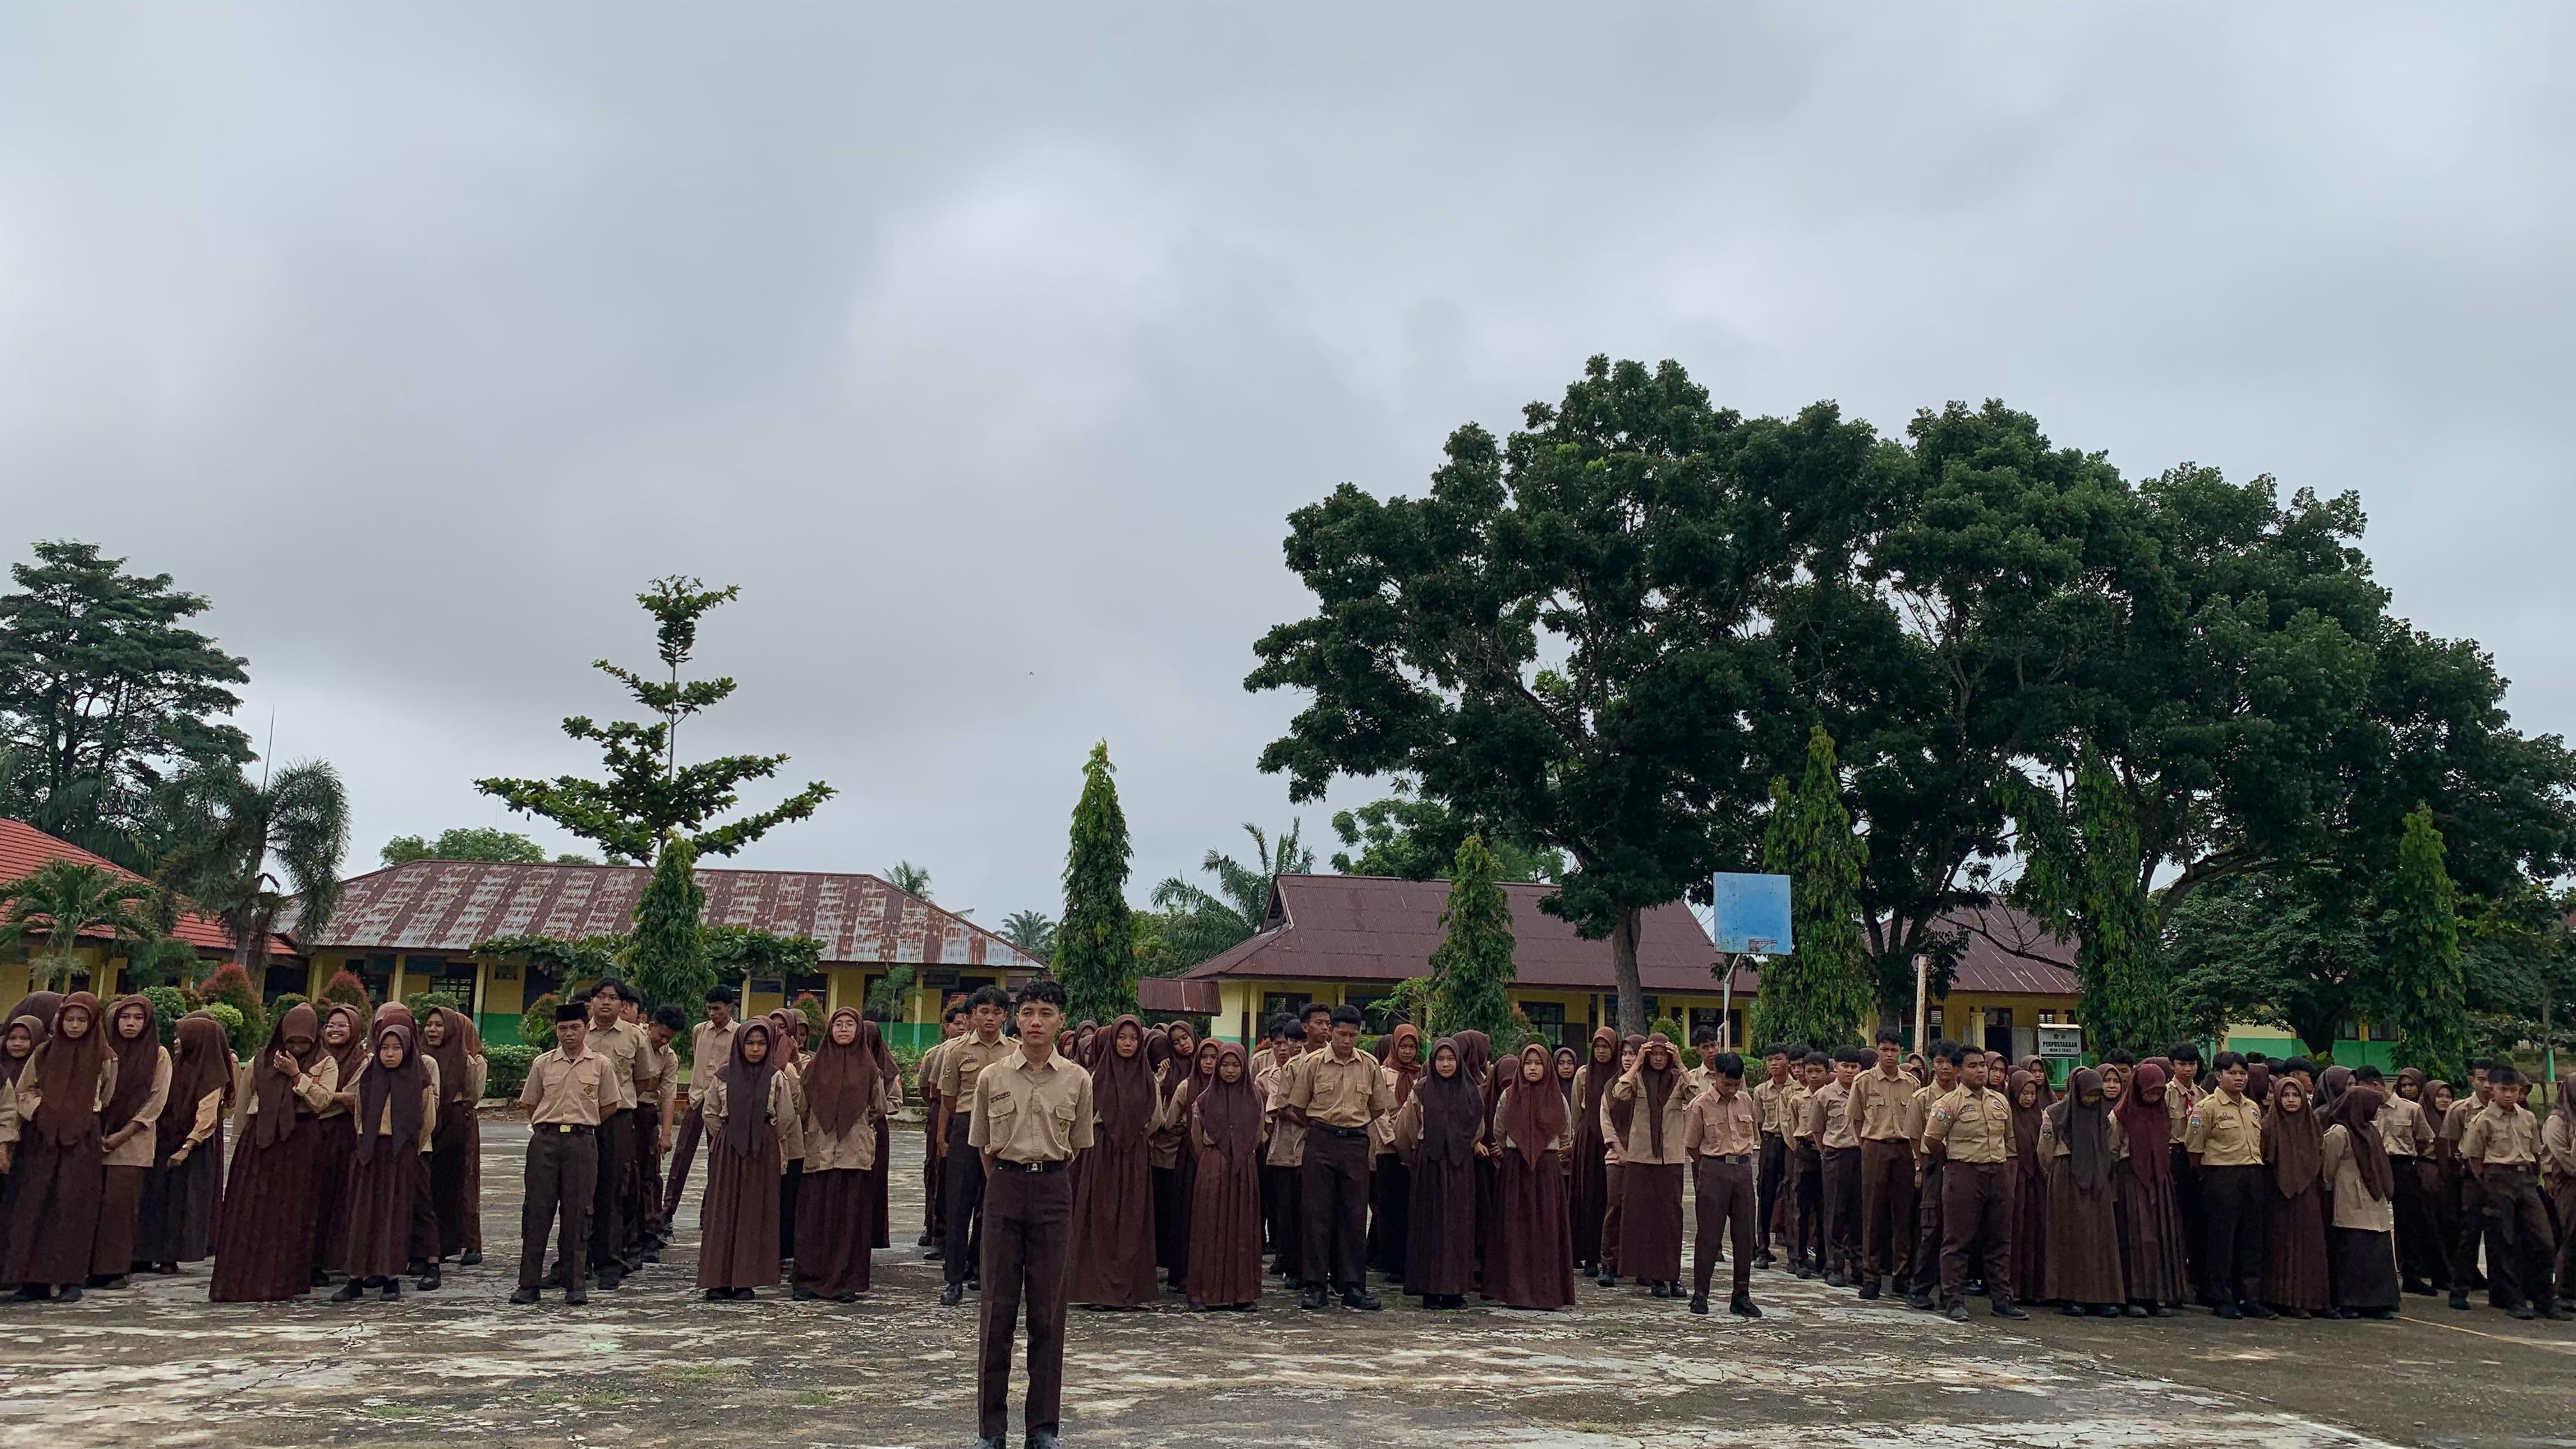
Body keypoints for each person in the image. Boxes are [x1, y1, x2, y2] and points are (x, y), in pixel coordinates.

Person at [969, 978, 1093, 1449]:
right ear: (1015, 1020)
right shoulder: (992, 1077)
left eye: (1045, 1013)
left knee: (1048, 1314)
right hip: (1004, 1186)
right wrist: (1010, 1173)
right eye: (1027, 1013)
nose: (1035, 1022)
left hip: (1054, 1190)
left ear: (1061, 1020)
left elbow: (1078, 1147)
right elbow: (982, 1146)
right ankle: (991, 1430)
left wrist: (1044, 1174)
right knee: (996, 1313)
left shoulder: (1078, 1079)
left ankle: (1043, 1428)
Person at [210, 1004, 335, 1302]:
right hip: (260, 1140)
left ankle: (279, 1284)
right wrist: (238, 1143)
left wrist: (296, 1075)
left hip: (299, 1141)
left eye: (304, 1043)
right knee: (250, 1212)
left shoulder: (324, 1062)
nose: (297, 1048)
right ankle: (239, 1284)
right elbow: (244, 1103)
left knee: (288, 1213)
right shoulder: (261, 1060)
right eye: (291, 1042)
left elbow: (321, 1101)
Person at [1, 992, 110, 1301]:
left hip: (82, 1139)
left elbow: (107, 1094)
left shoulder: (105, 1057)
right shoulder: (44, 1053)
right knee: (35, 1205)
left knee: (73, 1207)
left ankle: (70, 1280)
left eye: (82, 1020)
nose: (74, 1026)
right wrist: (44, 1110)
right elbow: (24, 1090)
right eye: (69, 1019)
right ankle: (33, 1281)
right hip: (44, 1138)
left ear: (92, 1023)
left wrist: (80, 1113)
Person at [1285, 1004, 1392, 1312]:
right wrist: (1325, 1127)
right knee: (1317, 1216)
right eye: (1342, 1034)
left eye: (1353, 1035)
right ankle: (1315, 1286)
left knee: (1354, 1216)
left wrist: (1351, 1127)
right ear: (1330, 1030)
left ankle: (1353, 1286)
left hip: (1355, 1143)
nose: (1347, 1040)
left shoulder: (1370, 1065)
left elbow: (1376, 1108)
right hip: (1320, 1141)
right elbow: (1299, 1106)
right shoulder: (1314, 1064)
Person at [512, 1002, 615, 1306]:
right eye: (562, 1029)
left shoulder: (601, 1064)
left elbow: (609, 1106)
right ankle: (528, 1284)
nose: (568, 1034)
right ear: (556, 1031)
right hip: (545, 1142)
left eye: (575, 1028)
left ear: (586, 1028)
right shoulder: (543, 1064)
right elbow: (531, 1103)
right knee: (537, 1212)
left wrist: (582, 1122)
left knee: (578, 1213)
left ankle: (575, 1284)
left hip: (582, 1143)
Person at [330, 1022, 435, 1302]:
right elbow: (359, 1117)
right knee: (362, 1215)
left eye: (396, 1048)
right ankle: (356, 1279)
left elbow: (427, 1122)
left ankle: (391, 1279)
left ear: (408, 1049)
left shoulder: (419, 1081)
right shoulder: (369, 1078)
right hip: (368, 1152)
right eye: (384, 1048)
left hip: (400, 1154)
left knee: (393, 1216)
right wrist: (367, 1143)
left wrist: (406, 1146)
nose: (389, 1054)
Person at [696, 1017, 797, 1301]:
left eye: (762, 1043)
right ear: (740, 1045)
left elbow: (786, 1116)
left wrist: (763, 1135)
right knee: (723, 1211)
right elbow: (711, 1113)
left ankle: (745, 1281)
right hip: (729, 1148)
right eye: (750, 1043)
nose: (755, 1049)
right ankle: (718, 1281)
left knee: (754, 1212)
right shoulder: (724, 1076)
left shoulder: (776, 1077)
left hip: (762, 1148)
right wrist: (731, 1136)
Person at [1923, 1041, 2025, 1321]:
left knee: (1999, 1240)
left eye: (1983, 1065)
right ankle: (1954, 1299)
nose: (1981, 1071)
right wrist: (1956, 1161)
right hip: (1964, 1173)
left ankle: (2002, 1300)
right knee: (1958, 1240)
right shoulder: (1948, 1104)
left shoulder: (1999, 1100)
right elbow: (1931, 1140)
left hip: (1997, 1173)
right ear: (1958, 1071)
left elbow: (2007, 1138)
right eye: (1973, 1066)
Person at [795, 1008, 891, 1302]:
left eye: (851, 1024)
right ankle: (810, 1280)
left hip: (854, 1154)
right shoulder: (814, 1068)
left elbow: (879, 1108)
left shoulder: (870, 1069)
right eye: (839, 1024)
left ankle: (846, 1282)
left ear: (859, 1030)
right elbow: (802, 1107)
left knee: (849, 1219)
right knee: (816, 1218)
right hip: (820, 1154)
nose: (845, 1029)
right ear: (830, 1030)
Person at [1068, 1015, 1160, 1309]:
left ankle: (1128, 1292)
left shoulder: (1148, 1078)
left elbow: (1156, 1118)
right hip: (1101, 1154)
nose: (1128, 1043)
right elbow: (1083, 1115)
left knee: (1131, 1221)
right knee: (1101, 1220)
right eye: (1122, 1037)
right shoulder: (1096, 1076)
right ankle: (1097, 1290)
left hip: (1134, 1155)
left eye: (1134, 1038)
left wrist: (1135, 1132)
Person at [2460, 1066, 2566, 1320]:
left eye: (2514, 1090)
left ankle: (2543, 1299)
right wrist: (2490, 1182)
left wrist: (2535, 1178)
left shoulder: (2527, 1117)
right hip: (2497, 1176)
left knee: (2543, 1240)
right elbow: (2475, 1159)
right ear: (2492, 1090)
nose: (2509, 1096)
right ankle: (2513, 1300)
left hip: (2526, 1177)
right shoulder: (2482, 1120)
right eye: (2504, 1090)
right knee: (2504, 1241)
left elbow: (2536, 1151)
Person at [133, 1011, 231, 1275]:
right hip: (165, 1140)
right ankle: (146, 1253)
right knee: (155, 1198)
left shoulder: (212, 1075)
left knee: (179, 1203)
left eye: (182, 1036)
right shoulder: (175, 1064)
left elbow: (207, 1116)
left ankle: (170, 1256)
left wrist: (187, 1147)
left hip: (190, 1148)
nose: (176, 1041)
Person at [86, 994, 169, 1290]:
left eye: (138, 1018)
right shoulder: (105, 1052)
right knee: (92, 1207)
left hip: (133, 1143)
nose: (131, 1024)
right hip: (96, 1139)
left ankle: (115, 1269)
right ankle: (88, 1267)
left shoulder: (158, 1055)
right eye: (125, 1017)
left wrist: (123, 1134)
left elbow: (155, 1101)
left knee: (119, 1209)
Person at [937, 986, 1013, 1305]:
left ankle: (984, 1271)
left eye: (997, 1012)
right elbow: (948, 1101)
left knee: (995, 1206)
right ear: (972, 1016)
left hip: (1002, 1131)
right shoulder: (955, 1052)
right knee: (959, 1206)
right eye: (984, 1011)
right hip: (966, 1129)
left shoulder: (1015, 1051)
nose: (990, 1018)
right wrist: (945, 1136)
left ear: (1005, 1017)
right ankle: (954, 1278)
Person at [1393, 1036, 1482, 1309]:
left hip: (1459, 1167)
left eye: (1451, 1059)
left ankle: (1455, 1291)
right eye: (1440, 1059)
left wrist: (1461, 1145)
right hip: (1429, 1166)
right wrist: (1416, 1158)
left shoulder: (1471, 1091)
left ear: (1459, 1061)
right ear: (1433, 1062)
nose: (1446, 1064)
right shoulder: (1421, 1090)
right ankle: (1429, 1290)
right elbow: (1406, 1128)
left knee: (1458, 1227)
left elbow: (1478, 1129)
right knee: (1429, 1227)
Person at [1489, 1042, 1577, 1311]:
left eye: (1538, 1063)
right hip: (1516, 1169)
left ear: (1546, 1067)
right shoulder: (1509, 1096)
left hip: (1547, 1170)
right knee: (1516, 1229)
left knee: (1546, 1229)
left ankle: (1545, 1291)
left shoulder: (1557, 1098)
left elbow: (1566, 1134)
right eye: (1528, 1063)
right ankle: (1515, 1291)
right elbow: (1500, 1131)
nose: (1533, 1069)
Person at [1607, 1032, 1694, 1297]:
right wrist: (1636, 1064)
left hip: (1671, 1159)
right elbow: (1619, 1091)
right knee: (1644, 1218)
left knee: (1670, 1219)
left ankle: (1672, 1276)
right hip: (1641, 1158)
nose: (1658, 1059)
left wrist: (1680, 1063)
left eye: (1663, 1055)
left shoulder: (1678, 1080)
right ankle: (1652, 1276)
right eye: (1653, 1054)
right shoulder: (1639, 1081)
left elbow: (1696, 1094)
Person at [2188, 1050, 2270, 1319]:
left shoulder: (2252, 1107)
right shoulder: (2207, 1107)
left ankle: (2249, 1296)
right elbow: (2194, 1148)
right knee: (2221, 1239)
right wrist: (2211, 1175)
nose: (2239, 1078)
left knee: (2251, 1239)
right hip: (2221, 1176)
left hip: (2252, 1175)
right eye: (2232, 1073)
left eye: (2242, 1073)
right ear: (2218, 1075)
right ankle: (2220, 1296)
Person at [1184, 1041, 1265, 1312]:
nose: (1230, 1071)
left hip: (1244, 1169)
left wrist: (1240, 1152)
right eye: (1225, 1065)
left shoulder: (1255, 1099)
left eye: (1236, 1065)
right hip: (1213, 1167)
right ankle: (1202, 1294)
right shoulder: (1203, 1100)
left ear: (1244, 1068)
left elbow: (1258, 1134)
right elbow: (1195, 1139)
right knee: (1209, 1227)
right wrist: (1215, 1157)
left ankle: (1242, 1294)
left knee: (1242, 1227)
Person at [578, 983, 648, 1290]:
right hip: (581, 1119)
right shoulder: (580, 1032)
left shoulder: (635, 1036)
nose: (606, 1003)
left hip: (617, 1121)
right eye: (601, 997)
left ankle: (609, 1262)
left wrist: (616, 1101)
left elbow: (644, 1079)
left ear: (623, 1005)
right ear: (591, 1002)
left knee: (613, 1191)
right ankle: (575, 1261)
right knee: (577, 1192)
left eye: (613, 998)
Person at [1681, 1050, 1761, 1317]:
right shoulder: (1700, 1105)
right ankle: (1700, 1295)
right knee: (1709, 1236)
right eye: (1727, 1084)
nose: (1731, 1089)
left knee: (1744, 1235)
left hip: (1743, 1171)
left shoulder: (1746, 1102)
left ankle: (1741, 1296)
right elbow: (1692, 1146)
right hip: (1714, 1170)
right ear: (1716, 1076)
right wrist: (1709, 1166)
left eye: (1736, 1085)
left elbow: (1753, 1137)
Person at [2041, 1066, 2124, 1317]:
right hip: (2067, 1177)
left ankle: (2101, 1297)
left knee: (2100, 1238)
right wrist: (2058, 1173)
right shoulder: (2056, 1114)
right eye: (2088, 1094)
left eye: (2097, 1095)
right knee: (2071, 1237)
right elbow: (2044, 1153)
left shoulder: (2103, 1117)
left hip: (2098, 1181)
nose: (2092, 1099)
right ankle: (2070, 1297)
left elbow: (2112, 1149)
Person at [2113, 1061, 2189, 1316]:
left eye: (2158, 1093)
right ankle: (2133, 1296)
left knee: (2160, 1237)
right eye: (2150, 1093)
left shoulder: (2162, 1113)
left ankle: (2156, 1297)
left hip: (2160, 1180)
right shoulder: (2121, 1115)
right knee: (2136, 1238)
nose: (2154, 1097)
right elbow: (2111, 1148)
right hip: (2131, 1178)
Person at [663, 986, 740, 1237]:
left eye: (718, 1008)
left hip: (722, 1107)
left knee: (716, 1159)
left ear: (729, 1007)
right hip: (697, 1101)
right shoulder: (700, 1031)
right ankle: (667, 1212)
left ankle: (709, 1215)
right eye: (709, 1009)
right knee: (682, 1155)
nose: (713, 1013)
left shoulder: (739, 1034)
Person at [2320, 1083, 2399, 1319]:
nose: (2375, 1111)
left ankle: (2376, 1302)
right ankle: (2349, 1301)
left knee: (2376, 1251)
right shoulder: (2339, 1132)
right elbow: (2327, 1169)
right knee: (2352, 1252)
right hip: (2349, 1200)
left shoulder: (2370, 1131)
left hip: (2374, 1198)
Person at [1850, 1029, 1917, 1301]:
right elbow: (1856, 1119)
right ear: (1877, 1050)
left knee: (1903, 1216)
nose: (1889, 1055)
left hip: (1903, 1150)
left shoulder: (1911, 1083)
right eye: (1884, 1049)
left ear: (1901, 1051)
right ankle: (1871, 1277)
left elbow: (1916, 1121)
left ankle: (1901, 1278)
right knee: (1872, 1214)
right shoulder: (1863, 1082)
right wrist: (1867, 1147)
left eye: (1894, 1050)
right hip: (1875, 1147)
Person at [420, 1008, 485, 1275]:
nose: (432, 1030)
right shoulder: (418, 1058)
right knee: (428, 1185)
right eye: (429, 1025)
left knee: (457, 1186)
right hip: (427, 1123)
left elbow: (472, 1095)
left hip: (456, 1123)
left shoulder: (468, 1061)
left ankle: (462, 1243)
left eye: (439, 1025)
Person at [2260, 1074, 2329, 1318]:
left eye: (2296, 1095)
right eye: (2286, 1095)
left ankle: (2313, 1300)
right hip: (2277, 1193)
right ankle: (2283, 1299)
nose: (2291, 1100)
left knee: (2310, 1244)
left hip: (2308, 1193)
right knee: (2281, 1245)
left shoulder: (2312, 1125)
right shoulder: (2269, 1126)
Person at [1901, 1045, 1962, 1310]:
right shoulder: (1922, 1098)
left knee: (1958, 1230)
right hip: (1934, 1164)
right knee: (1931, 1227)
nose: (1945, 1067)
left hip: (1962, 1166)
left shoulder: (1967, 1098)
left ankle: (1951, 1291)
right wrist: (1922, 1165)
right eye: (1939, 1062)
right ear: (1933, 1065)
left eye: (1950, 1062)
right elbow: (1915, 1136)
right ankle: (1921, 1288)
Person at [311, 1002, 367, 1287]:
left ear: (355, 1029)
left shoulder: (362, 1061)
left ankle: (336, 1259)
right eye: (330, 1025)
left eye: (342, 1025)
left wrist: (319, 1095)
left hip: (343, 1135)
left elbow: (356, 1098)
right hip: (312, 1133)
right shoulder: (314, 1056)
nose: (334, 1030)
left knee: (340, 1197)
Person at [1368, 1023, 1423, 1283]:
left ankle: (1411, 1259)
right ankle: (1390, 1261)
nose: (1408, 1052)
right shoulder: (1381, 1073)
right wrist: (1395, 1140)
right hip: (1388, 1149)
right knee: (1390, 1207)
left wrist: (1412, 1142)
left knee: (1412, 1207)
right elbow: (1378, 1110)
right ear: (1395, 1046)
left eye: (1412, 1047)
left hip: (1415, 1149)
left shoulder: (1422, 1075)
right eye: (1403, 1046)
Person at [2382, 1066, 2444, 1295]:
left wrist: (2409, 1158)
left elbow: (2424, 1139)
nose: (2407, 1089)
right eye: (2404, 1085)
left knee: (2410, 1222)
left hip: (2404, 1165)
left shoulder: (2412, 1109)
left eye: (2411, 1085)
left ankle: (2413, 1275)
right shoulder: (2371, 1109)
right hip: (2379, 1165)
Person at [1257, 1017, 1308, 1283]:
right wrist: (1318, 1121)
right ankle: (1286, 1260)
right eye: (1289, 1042)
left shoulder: (1313, 1067)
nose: (1292, 1047)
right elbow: (1282, 1108)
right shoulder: (1273, 1074)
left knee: (1306, 1210)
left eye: (1301, 1041)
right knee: (1284, 1209)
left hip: (1310, 1150)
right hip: (1283, 1148)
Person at [631, 1004, 683, 1260]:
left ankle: (650, 1235)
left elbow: (669, 1096)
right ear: (649, 1026)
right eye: (660, 1035)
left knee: (650, 1176)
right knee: (623, 1176)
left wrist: (666, 1135)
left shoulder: (669, 1057)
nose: (663, 1041)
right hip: (622, 1110)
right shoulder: (633, 1040)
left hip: (646, 1114)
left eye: (668, 1039)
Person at [1148, 1020, 1197, 1292]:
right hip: (1168, 1150)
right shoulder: (1169, 1072)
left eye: (1186, 1038)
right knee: (1169, 1209)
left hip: (1198, 1151)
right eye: (1176, 1041)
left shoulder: (1208, 1063)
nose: (1183, 1045)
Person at [2441, 1062, 2495, 1309]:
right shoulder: (2460, 1109)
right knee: (2469, 1235)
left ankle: (2502, 1291)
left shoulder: (2506, 1109)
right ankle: (2460, 1290)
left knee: (2502, 1236)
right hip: (2471, 1178)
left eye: (2490, 1080)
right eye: (2481, 1079)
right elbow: (2451, 1146)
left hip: (2500, 1178)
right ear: (2472, 1079)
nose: (2487, 1085)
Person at [1568, 1026, 1619, 1278]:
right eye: (1597, 1047)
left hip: (1612, 1142)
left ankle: (1610, 1256)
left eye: (1606, 1047)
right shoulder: (1583, 1074)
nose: (1601, 1052)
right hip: (1589, 1141)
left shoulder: (1620, 1076)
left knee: (1611, 1199)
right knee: (1589, 1198)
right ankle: (1589, 1256)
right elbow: (1577, 1111)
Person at [918, 1000, 969, 1254]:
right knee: (938, 1172)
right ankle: (937, 1230)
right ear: (946, 1027)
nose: (962, 1027)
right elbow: (928, 1090)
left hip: (971, 1115)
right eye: (957, 1023)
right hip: (944, 1112)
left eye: (965, 1022)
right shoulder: (940, 1052)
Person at [1813, 1048, 1864, 1286]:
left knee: (1859, 1212)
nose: (1850, 1071)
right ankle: (1834, 1266)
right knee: (1835, 1211)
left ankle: (1859, 1265)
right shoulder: (1824, 1095)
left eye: (1854, 1066)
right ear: (1836, 1068)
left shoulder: (1864, 1091)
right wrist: (1826, 1152)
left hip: (1861, 1155)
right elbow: (1817, 1129)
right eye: (1845, 1066)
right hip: (1835, 1154)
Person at [1751, 1044, 1798, 1271]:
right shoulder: (1761, 1091)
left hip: (1791, 1144)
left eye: (1778, 1059)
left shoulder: (1797, 1089)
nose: (1773, 1064)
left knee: (1790, 1195)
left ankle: (1794, 1253)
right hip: (1770, 1142)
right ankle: (1762, 1249)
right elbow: (1758, 1121)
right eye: (1769, 1060)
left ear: (1787, 1061)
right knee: (1766, 1193)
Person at [1787, 1050, 1826, 1278]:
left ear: (1826, 1073)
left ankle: (1823, 1259)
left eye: (1818, 1071)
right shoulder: (1797, 1099)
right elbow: (1790, 1128)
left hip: (1826, 1154)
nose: (1813, 1076)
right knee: (1800, 1208)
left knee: (1825, 1209)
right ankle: (1798, 1258)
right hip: (1804, 1152)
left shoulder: (1832, 1096)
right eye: (1809, 1071)